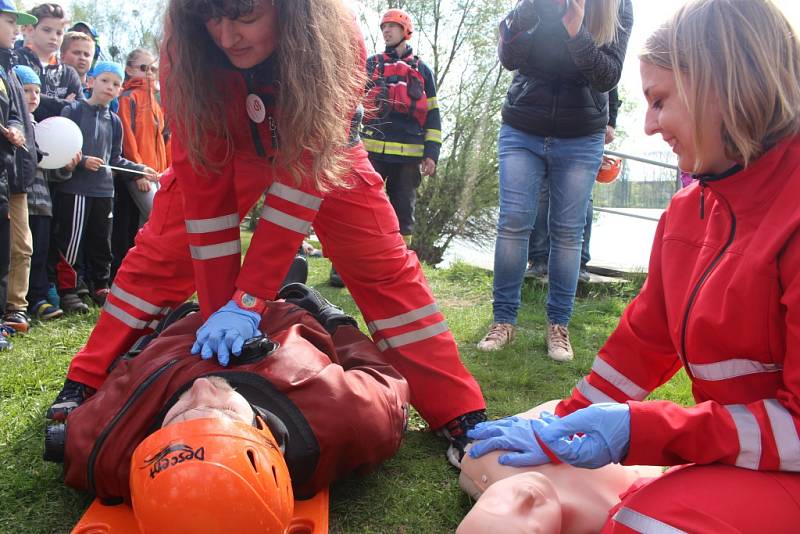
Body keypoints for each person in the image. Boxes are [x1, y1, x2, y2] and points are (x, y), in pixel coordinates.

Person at [47, 0, 486, 468]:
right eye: (212, 17)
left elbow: (299, 186)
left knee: (383, 269)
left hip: (322, 155)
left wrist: (250, 302)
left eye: (245, 16)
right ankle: (88, 379)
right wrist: (220, 311)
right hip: (228, 151)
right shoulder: (184, 44)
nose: (226, 34)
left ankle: (460, 411)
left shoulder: (337, 37)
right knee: (160, 255)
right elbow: (205, 194)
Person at [468, 1, 800, 530]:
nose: (648, 126)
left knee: (645, 524)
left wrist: (644, 430)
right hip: (738, 450)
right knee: (489, 462)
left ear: (722, 85)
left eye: (660, 101)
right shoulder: (688, 213)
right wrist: (567, 422)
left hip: (784, 463)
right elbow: (642, 345)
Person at [53, 285, 408, 511]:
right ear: (263, 435)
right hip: (286, 316)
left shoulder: (103, 450)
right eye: (222, 410)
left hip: (191, 319)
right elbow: (382, 376)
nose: (203, 388)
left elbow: (83, 427)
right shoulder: (347, 418)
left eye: (180, 415)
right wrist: (333, 321)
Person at [477, 0, 633, 361]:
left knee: (567, 231)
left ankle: (558, 327)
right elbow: (510, 57)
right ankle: (503, 321)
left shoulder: (618, 6)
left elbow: (608, 76)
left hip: (581, 135)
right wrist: (530, 8)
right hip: (522, 126)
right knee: (513, 222)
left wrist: (577, 28)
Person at [48, 61, 157, 313]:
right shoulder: (73, 110)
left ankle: (100, 285)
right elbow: (62, 147)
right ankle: (68, 290)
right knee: (71, 242)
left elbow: (115, 159)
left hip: (104, 191)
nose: (110, 87)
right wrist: (83, 160)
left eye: (116, 84)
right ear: (90, 82)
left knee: (102, 241)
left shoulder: (115, 121)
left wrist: (140, 169)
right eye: (105, 80)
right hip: (75, 189)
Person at [458, 401, 662, 534]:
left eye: (493, 504)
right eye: (534, 530)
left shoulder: (483, 460)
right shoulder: (612, 516)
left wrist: (556, 428)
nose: (525, 494)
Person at [361, 8, 442, 245]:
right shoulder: (372, 65)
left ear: (405, 31)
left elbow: (433, 115)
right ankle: (345, 268)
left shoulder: (422, 70)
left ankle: (399, 264)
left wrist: (431, 153)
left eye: (391, 26)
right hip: (371, 151)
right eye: (383, 27)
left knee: (403, 214)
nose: (386, 30)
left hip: (408, 157)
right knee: (362, 208)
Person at [527, 87, 622, 283]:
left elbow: (610, 78)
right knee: (542, 195)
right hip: (544, 126)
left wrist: (611, 120)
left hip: (585, 129)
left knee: (581, 197)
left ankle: (578, 264)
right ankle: (539, 260)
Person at [13, 65, 74, 321]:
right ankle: (20, 301)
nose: (33, 96)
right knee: (19, 252)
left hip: (43, 203)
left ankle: (37, 299)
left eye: (37, 91)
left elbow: (50, 171)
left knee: (39, 254)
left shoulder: (45, 129)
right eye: (26, 90)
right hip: (20, 201)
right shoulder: (15, 129)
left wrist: (66, 166)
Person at [111, 48, 168, 277]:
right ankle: (135, 271)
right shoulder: (128, 97)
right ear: (129, 69)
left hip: (156, 174)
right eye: (143, 68)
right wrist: (138, 173)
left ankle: (141, 273)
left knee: (146, 224)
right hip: (139, 172)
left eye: (153, 69)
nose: (149, 74)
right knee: (156, 219)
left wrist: (163, 174)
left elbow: (161, 143)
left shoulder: (155, 102)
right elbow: (127, 136)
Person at [0, 7, 39, 333]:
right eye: (11, 21)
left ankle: (15, 308)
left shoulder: (9, 69)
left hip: (15, 174)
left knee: (20, 246)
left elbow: (15, 114)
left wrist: (16, 128)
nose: (16, 29)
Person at [15, 3, 81, 121]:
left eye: (59, 33)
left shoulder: (69, 74)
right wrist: (63, 104)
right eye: (47, 30)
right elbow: (15, 97)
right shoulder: (15, 60)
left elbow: (80, 110)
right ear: (31, 30)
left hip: (59, 137)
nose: (54, 37)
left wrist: (35, 98)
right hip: (20, 134)